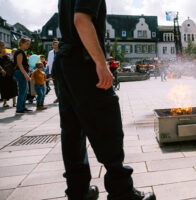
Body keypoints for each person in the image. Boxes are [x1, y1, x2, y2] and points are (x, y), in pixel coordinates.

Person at [54, 1, 156, 199]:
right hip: (84, 61)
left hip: (65, 61)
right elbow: (81, 20)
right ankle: (122, 191)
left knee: (72, 129)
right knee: (107, 124)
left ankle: (78, 191)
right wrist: (101, 63)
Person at [13, 38, 32, 114]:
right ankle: (19, 108)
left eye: (29, 44)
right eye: (27, 43)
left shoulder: (22, 52)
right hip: (20, 73)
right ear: (22, 43)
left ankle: (22, 107)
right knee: (22, 90)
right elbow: (19, 64)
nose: (28, 45)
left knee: (25, 90)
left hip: (21, 72)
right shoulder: (20, 52)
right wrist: (25, 74)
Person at [0, 41, 17, 108]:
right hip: (3, 75)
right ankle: (5, 102)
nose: (2, 47)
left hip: (11, 73)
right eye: (1, 45)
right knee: (4, 88)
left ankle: (14, 103)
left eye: (3, 45)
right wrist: (1, 70)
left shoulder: (7, 55)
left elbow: (12, 63)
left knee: (14, 87)